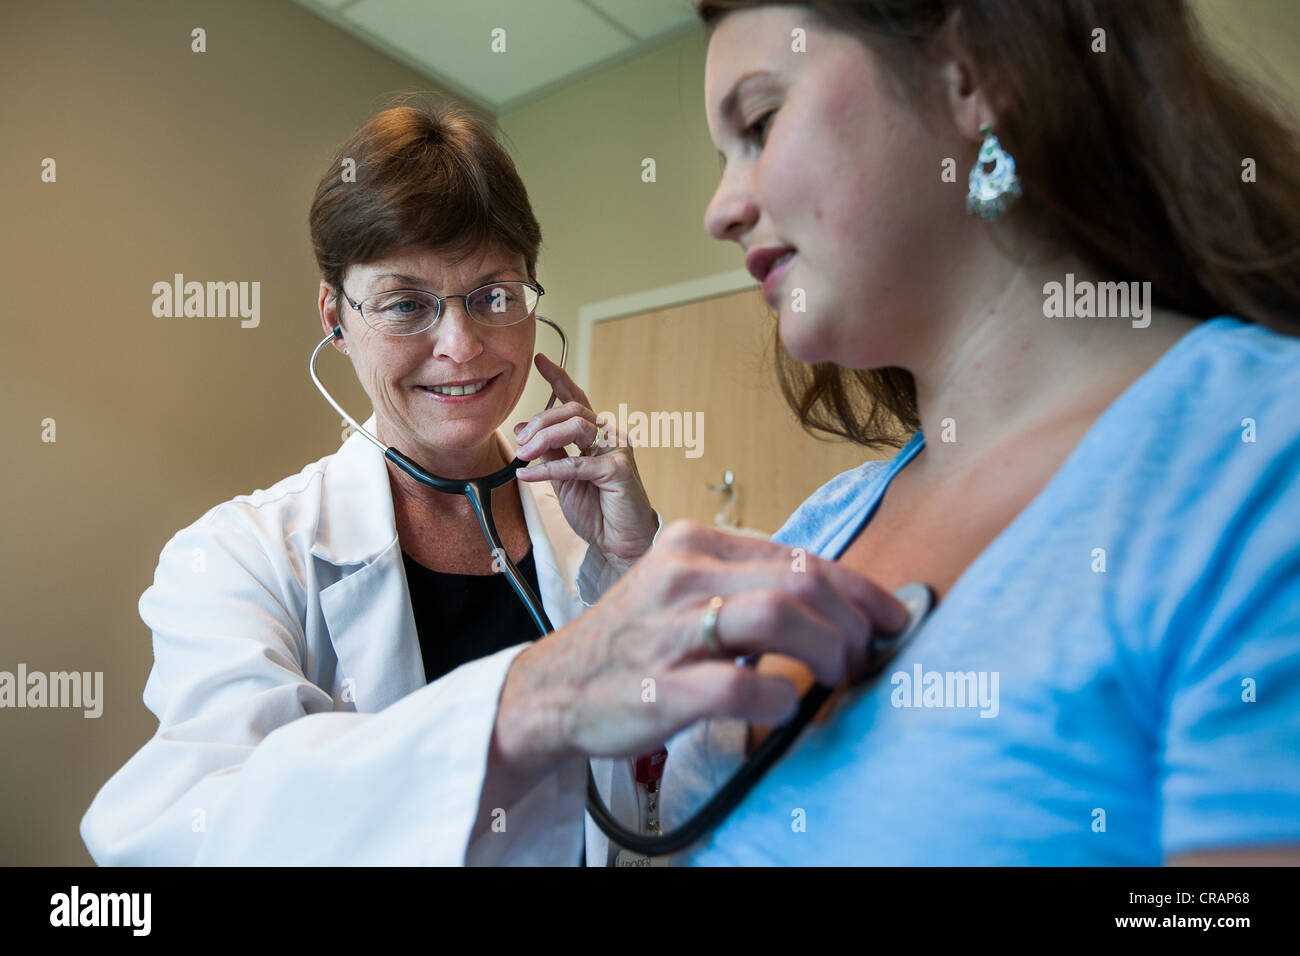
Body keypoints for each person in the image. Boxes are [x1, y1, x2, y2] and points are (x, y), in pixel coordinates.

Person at [80, 95, 907, 866]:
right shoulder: (241, 555)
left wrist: (634, 564)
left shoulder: (592, 534)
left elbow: (672, 800)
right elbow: (183, 832)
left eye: (492, 295)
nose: (463, 345)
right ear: (336, 319)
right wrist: (528, 702)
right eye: (407, 303)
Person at [656, 0, 1300, 864]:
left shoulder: (1260, 454)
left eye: (761, 125)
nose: (721, 209)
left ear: (974, 78)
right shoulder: (825, 523)